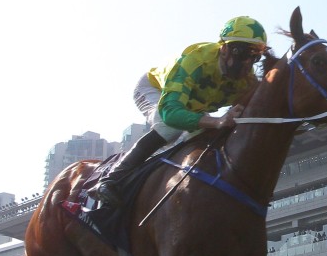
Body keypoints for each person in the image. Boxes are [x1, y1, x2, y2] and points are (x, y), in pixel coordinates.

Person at [90, 15, 268, 206]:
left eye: (254, 56)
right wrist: (217, 121)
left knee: (205, 140)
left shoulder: (246, 82)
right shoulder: (195, 62)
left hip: (193, 106)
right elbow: (171, 113)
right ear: (224, 48)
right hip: (155, 90)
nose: (247, 62)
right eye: (241, 52)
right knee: (169, 128)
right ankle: (111, 179)